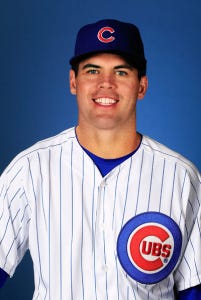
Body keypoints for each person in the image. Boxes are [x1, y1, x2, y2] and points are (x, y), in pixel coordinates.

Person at [0, 19, 200, 300]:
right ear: (74, 82)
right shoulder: (30, 169)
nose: (106, 84)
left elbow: (194, 290)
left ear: (141, 86)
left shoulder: (181, 177)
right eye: (92, 71)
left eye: (121, 72)